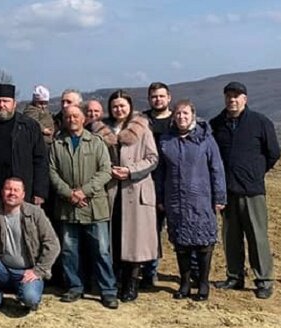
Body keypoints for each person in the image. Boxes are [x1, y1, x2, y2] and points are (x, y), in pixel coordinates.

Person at [209, 81, 281, 299]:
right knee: (231, 236)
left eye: (237, 96)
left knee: (257, 236)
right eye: (229, 96)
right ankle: (234, 276)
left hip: (252, 190)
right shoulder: (216, 124)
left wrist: (256, 172)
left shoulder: (260, 122)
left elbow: (273, 153)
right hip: (227, 190)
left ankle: (264, 280)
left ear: (245, 99)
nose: (232, 99)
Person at [156, 100, 226, 301]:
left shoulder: (206, 139)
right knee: (181, 244)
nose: (181, 117)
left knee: (204, 244)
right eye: (178, 114)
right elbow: (161, 172)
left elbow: (217, 168)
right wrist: (160, 197)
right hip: (175, 200)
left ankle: (203, 284)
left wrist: (219, 196)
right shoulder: (166, 141)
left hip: (201, 199)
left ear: (193, 115)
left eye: (185, 113)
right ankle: (184, 283)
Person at [49, 104, 118, 309]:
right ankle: (74, 287)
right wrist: (69, 193)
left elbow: (106, 171)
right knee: (69, 251)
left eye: (75, 116)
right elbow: (52, 172)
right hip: (68, 206)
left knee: (102, 251)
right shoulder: (57, 144)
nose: (72, 120)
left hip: (94, 206)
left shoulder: (96, 142)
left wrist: (84, 191)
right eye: (68, 117)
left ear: (83, 119)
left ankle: (108, 290)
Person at [94, 90, 158, 303]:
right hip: (111, 190)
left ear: (129, 107)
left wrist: (131, 170)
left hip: (136, 188)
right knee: (114, 236)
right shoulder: (101, 130)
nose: (118, 109)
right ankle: (115, 279)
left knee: (134, 240)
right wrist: (108, 170)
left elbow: (152, 158)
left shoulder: (142, 128)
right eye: (115, 106)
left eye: (122, 106)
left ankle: (132, 282)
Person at [0, 177, 60, 317]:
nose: (11, 193)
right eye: (8, 189)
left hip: (27, 271)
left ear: (23, 194)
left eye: (16, 190)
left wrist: (38, 271)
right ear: (2, 192)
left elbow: (53, 244)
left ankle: (25, 293)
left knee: (30, 299)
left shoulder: (35, 213)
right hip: (2, 268)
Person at [0, 83, 48, 206]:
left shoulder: (29, 127)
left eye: (6, 101)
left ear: (14, 103)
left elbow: (40, 160)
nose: (1, 105)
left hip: (23, 191)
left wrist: (39, 192)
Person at [140, 82, 174, 289]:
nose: (158, 100)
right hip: (148, 182)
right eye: (154, 96)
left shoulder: (176, 120)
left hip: (173, 183)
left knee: (180, 231)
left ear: (169, 98)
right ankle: (149, 272)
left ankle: (192, 273)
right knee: (150, 232)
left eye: (161, 96)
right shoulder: (142, 121)